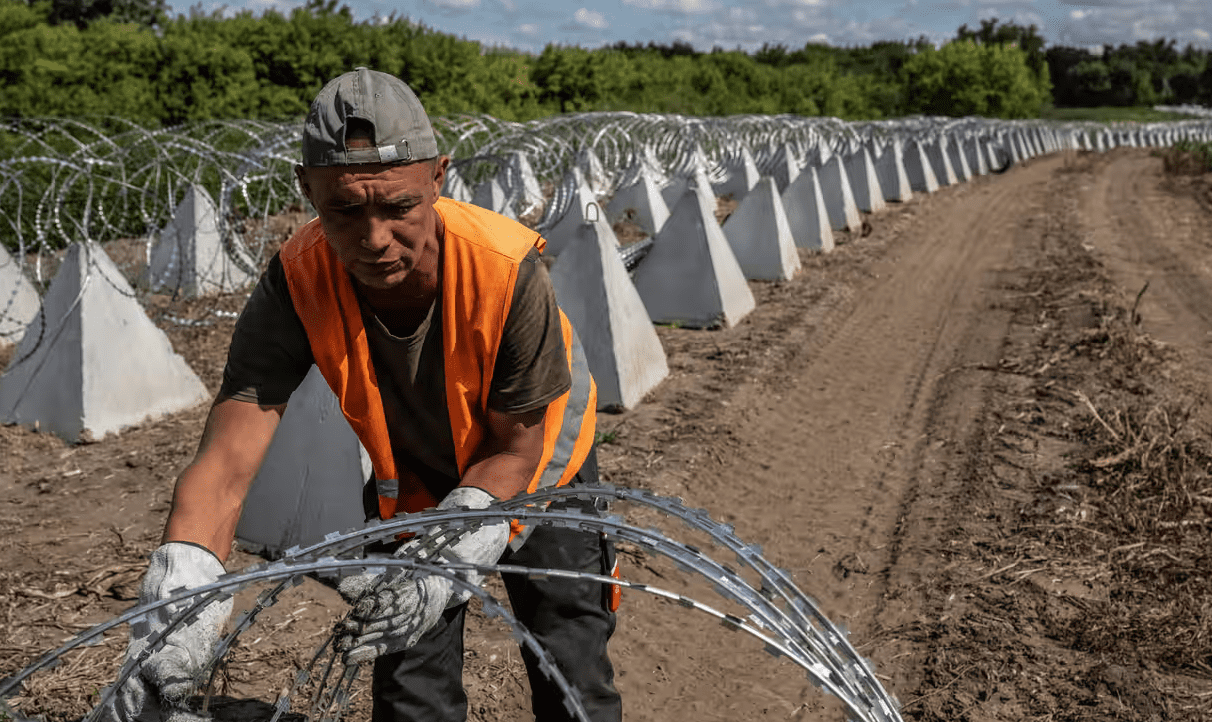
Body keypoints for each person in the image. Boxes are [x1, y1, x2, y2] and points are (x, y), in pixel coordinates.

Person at [96, 67, 622, 722]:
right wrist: (180, 597)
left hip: (540, 461)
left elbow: (514, 447)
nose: (374, 240)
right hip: (419, 473)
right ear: (306, 189)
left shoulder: (504, 271)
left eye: (399, 207)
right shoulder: (298, 280)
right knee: (408, 674)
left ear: (438, 178)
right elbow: (225, 463)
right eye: (344, 210)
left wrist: (454, 551)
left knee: (567, 652)